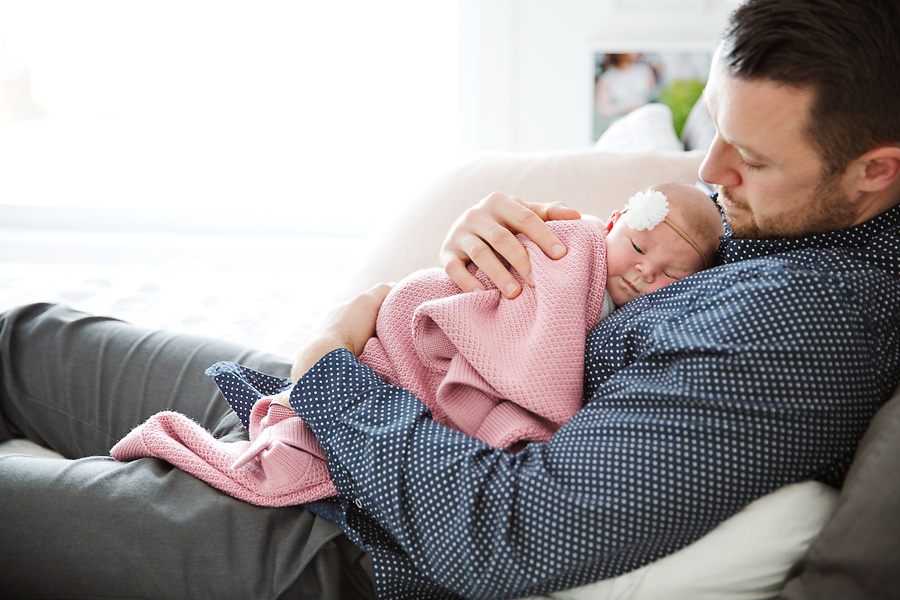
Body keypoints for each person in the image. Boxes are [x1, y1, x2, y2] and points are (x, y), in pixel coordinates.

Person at [1, 0, 898, 598]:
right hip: (380, 408)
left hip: (346, 536)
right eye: (715, 130)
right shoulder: (791, 221)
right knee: (23, 340)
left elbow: (508, 534)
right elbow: (683, 218)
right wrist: (519, 252)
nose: (710, 171)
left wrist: (325, 373)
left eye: (753, 159)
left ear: (876, 172)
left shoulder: (808, 331)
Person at [107, 183, 723, 508]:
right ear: (615, 222)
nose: (645, 275)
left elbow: (537, 385)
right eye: (640, 252)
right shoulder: (577, 244)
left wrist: (326, 358)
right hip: (377, 361)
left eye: (669, 275)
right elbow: (494, 298)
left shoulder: (695, 332)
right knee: (22, 334)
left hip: (363, 416)